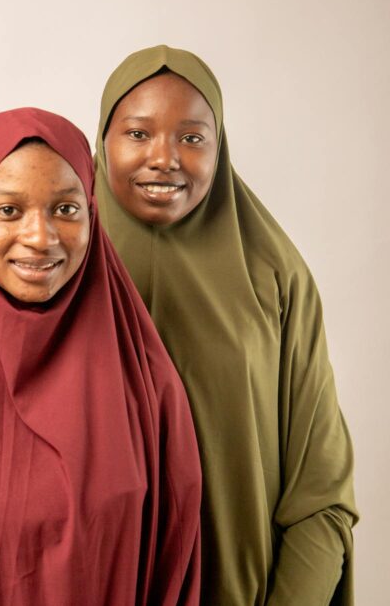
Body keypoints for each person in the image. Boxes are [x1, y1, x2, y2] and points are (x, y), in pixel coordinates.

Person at [0, 107, 201, 605]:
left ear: (92, 211)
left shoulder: (147, 385)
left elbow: (174, 564)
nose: (40, 237)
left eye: (66, 210)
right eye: (8, 210)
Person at [94, 45, 357, 604]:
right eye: (138, 134)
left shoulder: (275, 276)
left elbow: (321, 496)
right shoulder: (50, 263)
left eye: (192, 138)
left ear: (220, 148)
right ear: (102, 141)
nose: (164, 157)